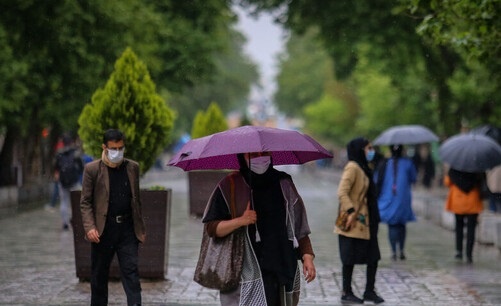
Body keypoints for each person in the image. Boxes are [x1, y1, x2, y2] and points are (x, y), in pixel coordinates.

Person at [202, 151, 316, 306]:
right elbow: (212, 228)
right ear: (242, 156)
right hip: (244, 270)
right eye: (253, 155)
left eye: (264, 153)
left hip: (282, 266)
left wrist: (307, 256)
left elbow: (299, 224)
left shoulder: (284, 182)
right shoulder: (230, 185)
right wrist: (240, 221)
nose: (259, 158)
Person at [80, 129, 146, 306]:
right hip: (103, 231)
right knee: (99, 277)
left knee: (132, 275)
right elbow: (85, 202)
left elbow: (136, 200)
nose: (118, 152)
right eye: (113, 148)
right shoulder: (92, 170)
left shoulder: (132, 167)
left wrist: (141, 228)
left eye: (121, 148)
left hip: (127, 230)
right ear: (104, 147)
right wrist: (90, 227)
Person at [335, 137, 384, 304]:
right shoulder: (353, 167)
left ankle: (369, 291)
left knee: (373, 257)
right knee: (349, 257)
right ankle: (346, 292)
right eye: (368, 148)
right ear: (359, 149)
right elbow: (342, 192)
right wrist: (350, 211)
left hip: (368, 220)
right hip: (354, 221)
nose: (371, 151)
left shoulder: (363, 166)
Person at [374, 144, 417, 260]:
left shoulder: (384, 164)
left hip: (388, 198)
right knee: (402, 224)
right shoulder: (408, 163)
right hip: (403, 198)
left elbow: (376, 180)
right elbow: (414, 178)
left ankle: (393, 251)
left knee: (392, 225)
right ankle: (401, 250)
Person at [444, 168, 484, 263]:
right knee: (471, 229)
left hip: (458, 200)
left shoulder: (455, 168)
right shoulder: (477, 167)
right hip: (472, 201)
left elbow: (447, 182)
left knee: (459, 226)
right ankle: (469, 254)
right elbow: (481, 183)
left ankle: (459, 251)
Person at [53, 134, 83, 230]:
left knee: (64, 202)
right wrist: (77, 174)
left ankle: (65, 223)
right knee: (77, 202)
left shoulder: (59, 154)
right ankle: (77, 221)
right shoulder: (75, 153)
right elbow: (81, 167)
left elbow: (56, 167)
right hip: (74, 181)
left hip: (63, 182)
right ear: (71, 142)